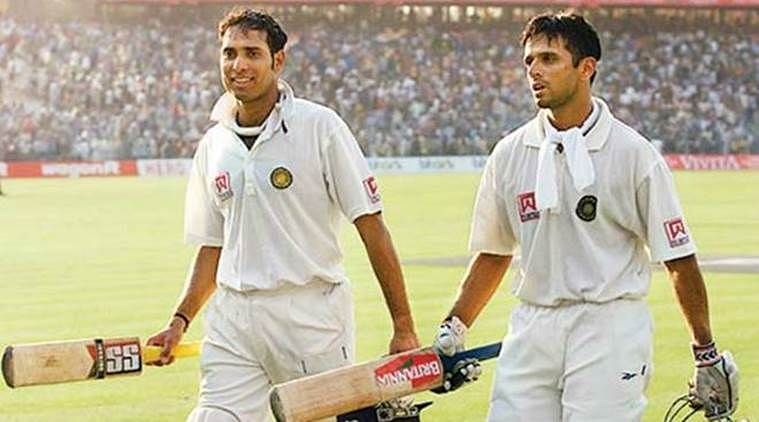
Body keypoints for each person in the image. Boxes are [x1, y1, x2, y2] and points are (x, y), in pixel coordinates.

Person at [431, 12, 739, 421]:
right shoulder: (509, 153)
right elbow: (493, 252)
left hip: (609, 326)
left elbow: (678, 260)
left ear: (586, 68)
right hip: (532, 326)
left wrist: (705, 354)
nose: (534, 71)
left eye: (548, 59)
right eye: (529, 61)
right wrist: (454, 326)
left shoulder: (633, 154)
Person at [147, 8, 420, 421]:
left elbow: (371, 226)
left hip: (310, 315)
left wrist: (403, 326)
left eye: (252, 53)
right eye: (229, 53)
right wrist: (180, 319)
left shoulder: (319, 126)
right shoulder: (214, 144)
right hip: (234, 318)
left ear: (278, 61)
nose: (238, 65)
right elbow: (212, 245)